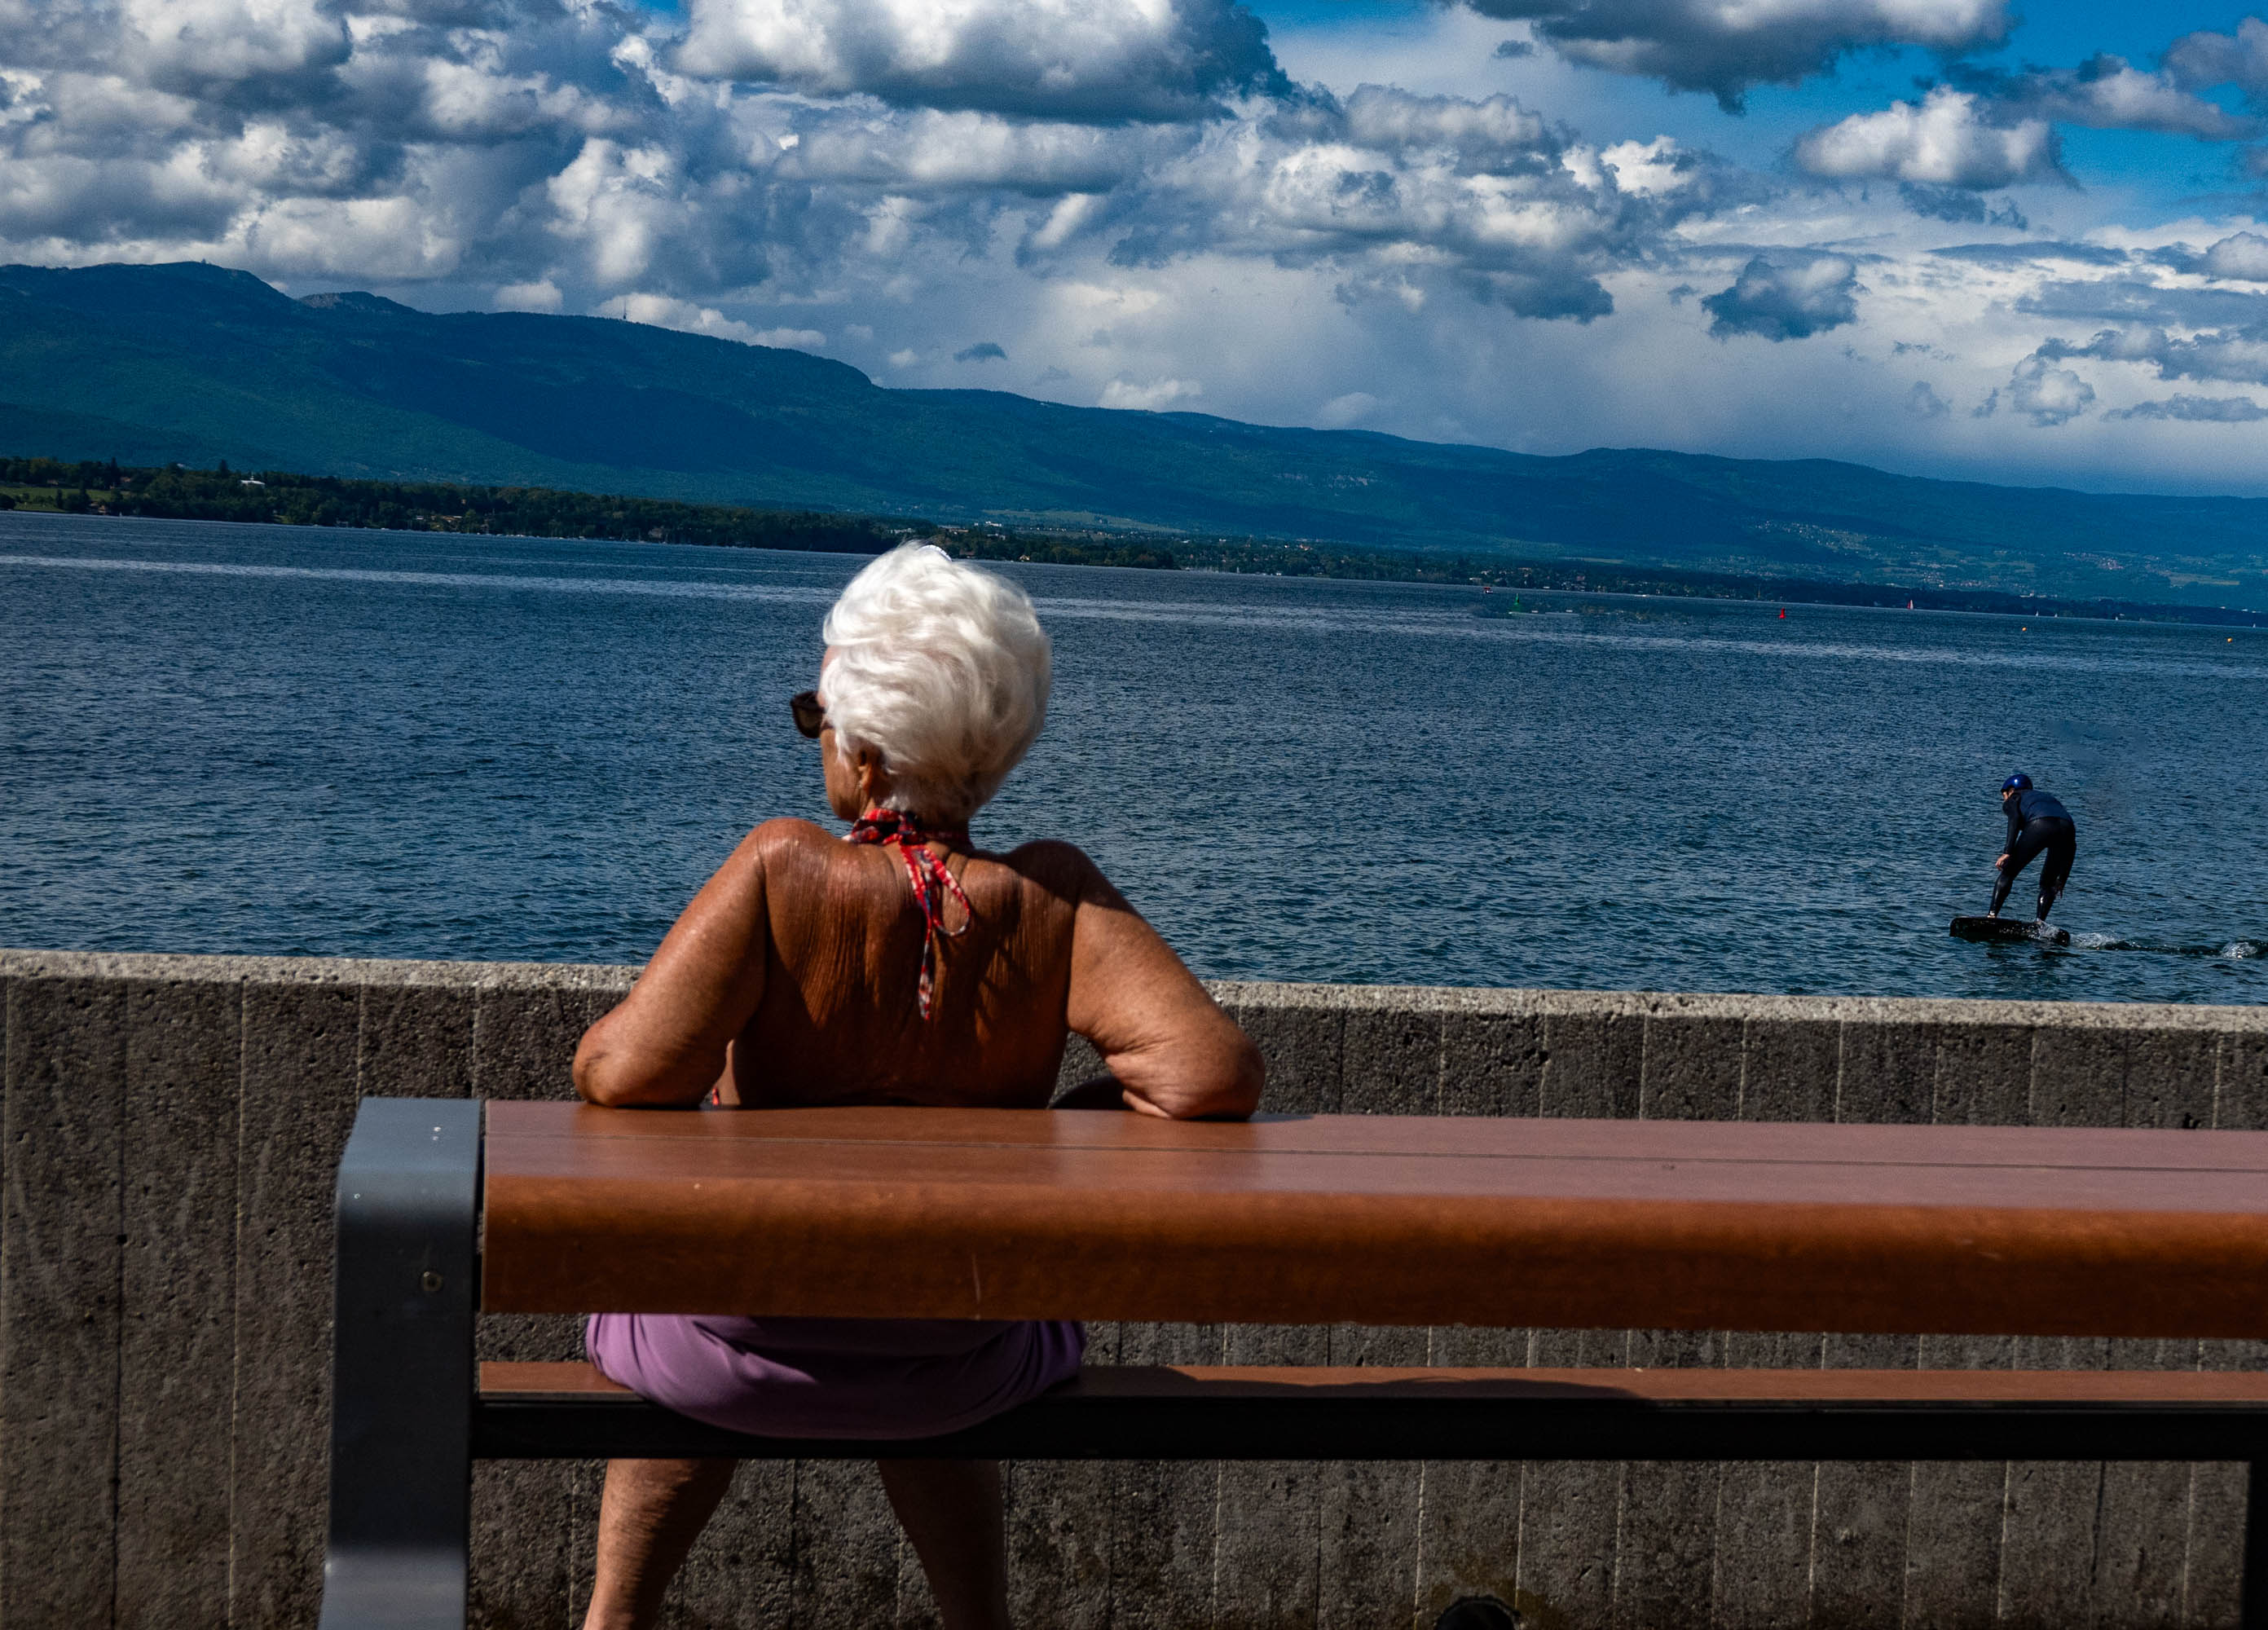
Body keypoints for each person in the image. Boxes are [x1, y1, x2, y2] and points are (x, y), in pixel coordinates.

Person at [570, 543, 1265, 1630]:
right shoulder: (1053, 897)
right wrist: (1053, 1143)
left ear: (863, 754)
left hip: (736, 1346)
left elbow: (622, 1071)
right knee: (950, 1308)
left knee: (680, 1300)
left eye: (818, 719)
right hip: (957, 1353)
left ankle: (616, 1619)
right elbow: (1208, 1077)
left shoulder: (779, 868)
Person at [1988, 772, 2077, 923]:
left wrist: (2008, 852)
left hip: (2040, 824)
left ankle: (1991, 916)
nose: (2004, 800)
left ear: (2010, 790)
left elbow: (2014, 820)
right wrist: (2062, 879)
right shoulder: (2048, 799)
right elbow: (2072, 846)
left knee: (2008, 872)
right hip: (2068, 828)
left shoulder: (2014, 797)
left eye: (2004, 795)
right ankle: (2040, 925)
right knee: (2048, 884)